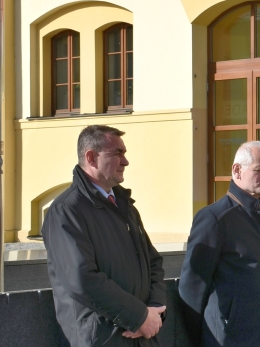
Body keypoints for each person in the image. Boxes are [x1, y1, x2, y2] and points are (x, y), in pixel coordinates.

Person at [42, 125, 167, 346]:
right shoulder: (67, 210)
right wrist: (138, 317)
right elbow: (81, 279)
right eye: (117, 153)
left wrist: (154, 310)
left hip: (141, 336)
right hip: (102, 338)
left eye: (124, 153)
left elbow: (153, 262)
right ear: (91, 157)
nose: (125, 161)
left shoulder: (125, 206)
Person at [179, 141, 260, 347]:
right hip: (228, 340)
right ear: (237, 170)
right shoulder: (214, 218)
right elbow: (192, 287)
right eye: (259, 170)